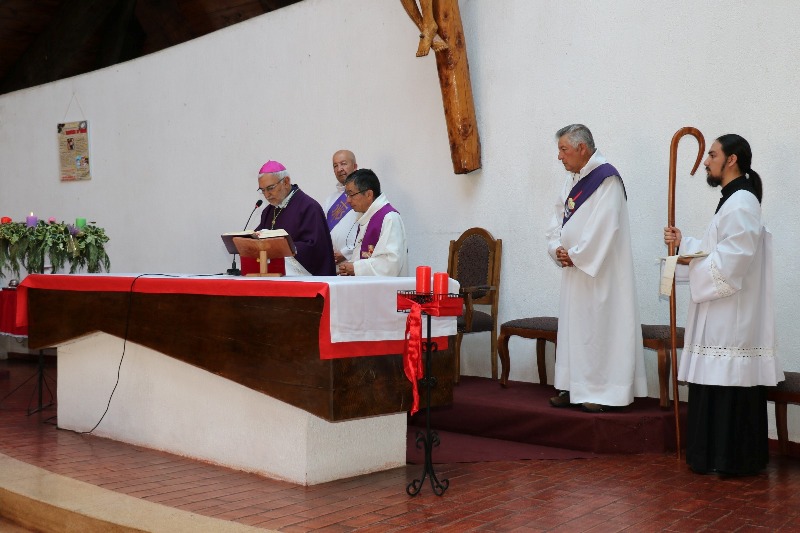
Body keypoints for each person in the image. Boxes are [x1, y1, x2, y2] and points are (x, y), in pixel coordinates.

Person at [663, 134, 783, 475]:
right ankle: (715, 456)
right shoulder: (733, 200)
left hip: (732, 316)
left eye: (712, 155)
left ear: (732, 160)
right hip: (723, 312)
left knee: (728, 382)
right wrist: (684, 246)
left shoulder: (742, 202)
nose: (706, 161)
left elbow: (735, 258)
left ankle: (729, 458)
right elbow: (717, 248)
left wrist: (692, 262)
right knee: (718, 381)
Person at [545, 124, 647, 413]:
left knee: (599, 330)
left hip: (601, 273)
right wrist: (557, 248)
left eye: (563, 149)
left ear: (582, 148)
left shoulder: (607, 179)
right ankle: (574, 387)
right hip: (575, 272)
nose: (559, 156)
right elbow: (556, 219)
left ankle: (603, 392)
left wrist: (575, 254)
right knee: (576, 330)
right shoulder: (571, 180)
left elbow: (606, 226)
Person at [254, 160, 336, 276]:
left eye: (270, 188)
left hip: (305, 280)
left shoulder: (309, 207)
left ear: (286, 182)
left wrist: (281, 247)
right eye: (263, 190)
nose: (267, 195)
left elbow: (316, 249)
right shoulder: (268, 211)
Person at [337, 168, 408, 277]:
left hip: (387, 287)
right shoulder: (365, 217)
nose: (348, 200)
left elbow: (391, 264)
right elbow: (361, 257)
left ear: (369, 194)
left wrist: (355, 268)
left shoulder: (389, 218)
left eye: (351, 194)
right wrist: (349, 268)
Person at [324, 150, 359, 265]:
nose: (339, 169)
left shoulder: (363, 196)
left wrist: (346, 253)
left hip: (355, 262)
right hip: (333, 263)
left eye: (343, 164)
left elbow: (368, 229)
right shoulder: (329, 200)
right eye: (335, 166)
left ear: (354, 166)